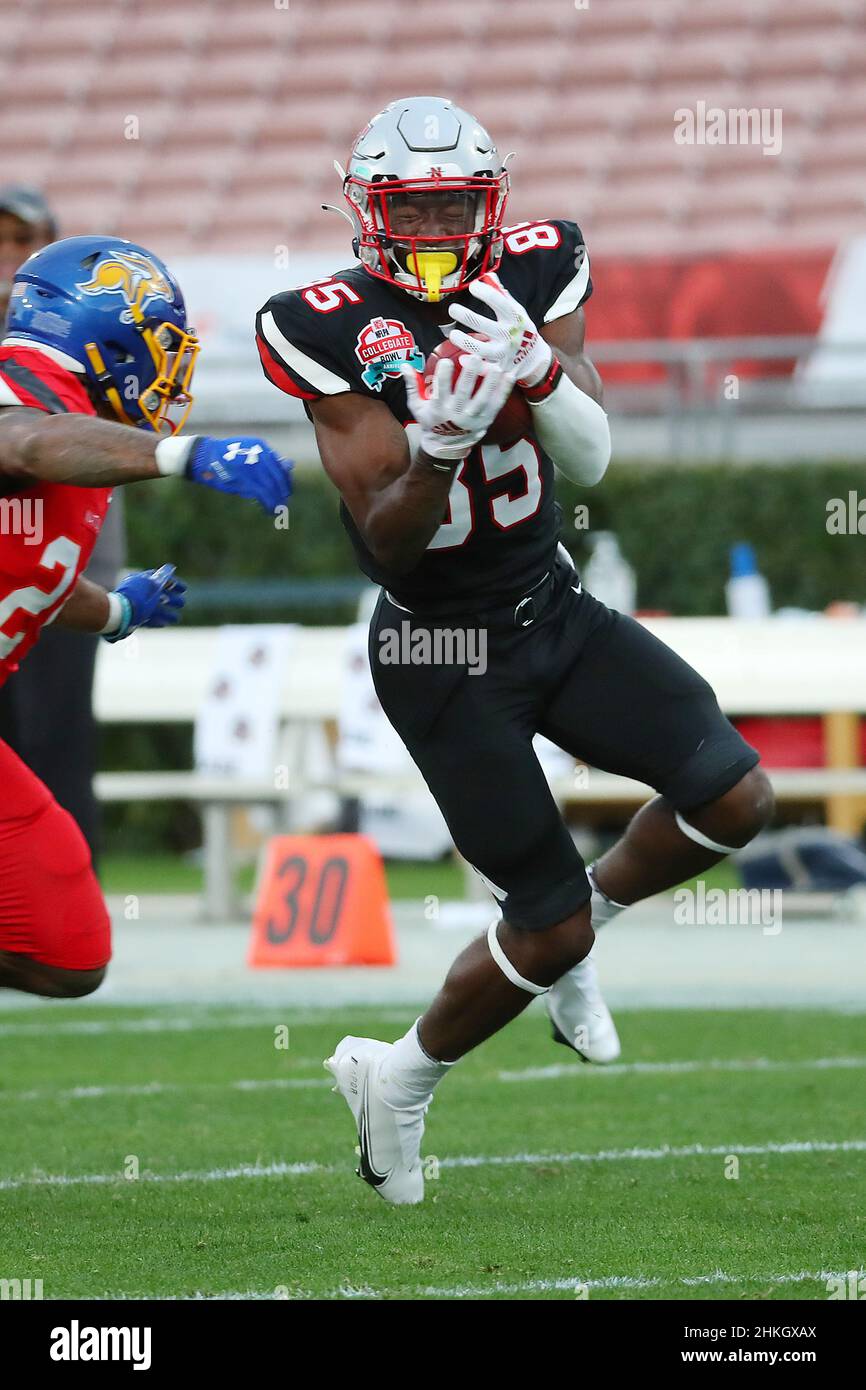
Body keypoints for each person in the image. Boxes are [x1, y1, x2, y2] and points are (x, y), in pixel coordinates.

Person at [256, 96, 773, 1204]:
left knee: (731, 796)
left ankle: (579, 936)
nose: (438, 225)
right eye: (415, 206)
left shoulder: (541, 265)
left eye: (454, 203)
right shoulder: (323, 319)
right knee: (541, 928)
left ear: (492, 204)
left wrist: (539, 372)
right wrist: (437, 447)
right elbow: (390, 547)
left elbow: (585, 458)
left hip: (549, 602)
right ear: (370, 212)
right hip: (439, 644)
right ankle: (396, 1079)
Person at [0, 234, 293, 999]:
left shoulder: (74, 431)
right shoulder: (28, 402)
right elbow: (27, 444)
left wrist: (117, 610)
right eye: (159, 345)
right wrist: (184, 456)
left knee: (69, 948)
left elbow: (34, 575)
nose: (167, 369)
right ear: (101, 334)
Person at [0, 185, 124, 861]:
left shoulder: (74, 334)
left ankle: (71, 892)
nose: (7, 255)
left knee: (56, 745)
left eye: (22, 242)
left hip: (60, 576)